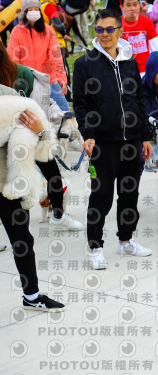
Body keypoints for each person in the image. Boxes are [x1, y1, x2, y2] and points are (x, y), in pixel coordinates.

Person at [73, 9, 154, 270]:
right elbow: (80, 105)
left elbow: (139, 100)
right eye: (99, 29)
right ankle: (95, 247)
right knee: (102, 196)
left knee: (129, 194)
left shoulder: (129, 61)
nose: (104, 34)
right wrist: (88, 134)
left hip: (131, 140)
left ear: (120, 31)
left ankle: (126, 240)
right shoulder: (85, 64)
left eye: (110, 29)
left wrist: (145, 136)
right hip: (103, 143)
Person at [0, 40, 82, 232]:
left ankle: (59, 215)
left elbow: (42, 103)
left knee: (52, 173)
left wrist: (44, 129)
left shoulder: (21, 74)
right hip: (3, 136)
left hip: (29, 130)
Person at [0, 107, 66, 311]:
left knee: (23, 241)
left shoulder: (16, 102)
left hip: (12, 185)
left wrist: (40, 131)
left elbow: (42, 148)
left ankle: (31, 296)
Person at [7, 0, 69, 112]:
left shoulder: (48, 30)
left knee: (64, 113)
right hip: (28, 80)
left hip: (49, 78)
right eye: (30, 10)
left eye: (36, 9)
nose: (34, 12)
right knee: (32, 114)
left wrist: (61, 78)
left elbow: (56, 56)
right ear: (25, 13)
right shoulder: (17, 32)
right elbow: (13, 58)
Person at [120, 0, 158, 77]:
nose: (132, 8)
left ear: (139, 5)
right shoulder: (117, 24)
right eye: (128, 5)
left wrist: (156, 66)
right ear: (122, 7)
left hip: (145, 70)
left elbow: (155, 47)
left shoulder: (148, 22)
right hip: (125, 70)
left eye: (135, 5)